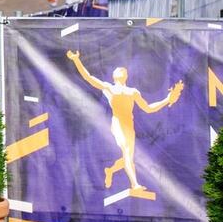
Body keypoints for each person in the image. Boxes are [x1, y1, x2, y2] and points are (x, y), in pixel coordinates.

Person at [66, 50, 182, 194]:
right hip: (118, 125)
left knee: (129, 157)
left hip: (129, 126)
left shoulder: (133, 92)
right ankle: (135, 185)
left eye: (123, 71)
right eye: (117, 71)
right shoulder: (109, 88)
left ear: (126, 76)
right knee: (128, 154)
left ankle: (110, 170)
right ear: (114, 76)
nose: (120, 72)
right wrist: (76, 60)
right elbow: (88, 77)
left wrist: (167, 100)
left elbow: (148, 108)